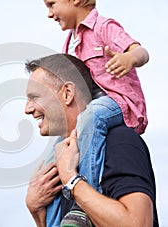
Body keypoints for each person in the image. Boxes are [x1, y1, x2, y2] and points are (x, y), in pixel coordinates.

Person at [42, 1, 150, 225]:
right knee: (53, 161)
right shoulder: (68, 44)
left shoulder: (104, 27)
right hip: (87, 113)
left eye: (52, 4)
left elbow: (141, 51)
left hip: (117, 101)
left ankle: (82, 205)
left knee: (93, 115)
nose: (50, 14)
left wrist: (129, 59)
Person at [24, 54, 158, 226]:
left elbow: (137, 223)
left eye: (35, 97)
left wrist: (71, 180)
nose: (27, 109)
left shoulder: (118, 141)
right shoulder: (62, 161)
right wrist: (36, 210)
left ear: (67, 93)